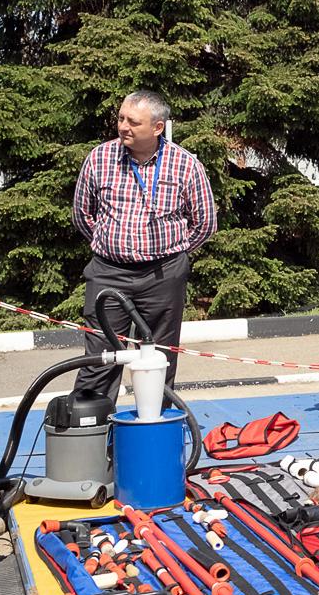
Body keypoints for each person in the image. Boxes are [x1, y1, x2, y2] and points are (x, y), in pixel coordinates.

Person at [71, 89, 217, 399]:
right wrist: (110, 242)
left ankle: (155, 432)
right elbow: (82, 215)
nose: (123, 126)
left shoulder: (186, 165)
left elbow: (205, 223)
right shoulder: (99, 158)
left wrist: (172, 253)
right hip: (108, 274)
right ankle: (94, 435)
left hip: (163, 276)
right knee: (100, 358)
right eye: (121, 118)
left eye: (133, 122)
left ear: (158, 128)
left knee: (159, 359)